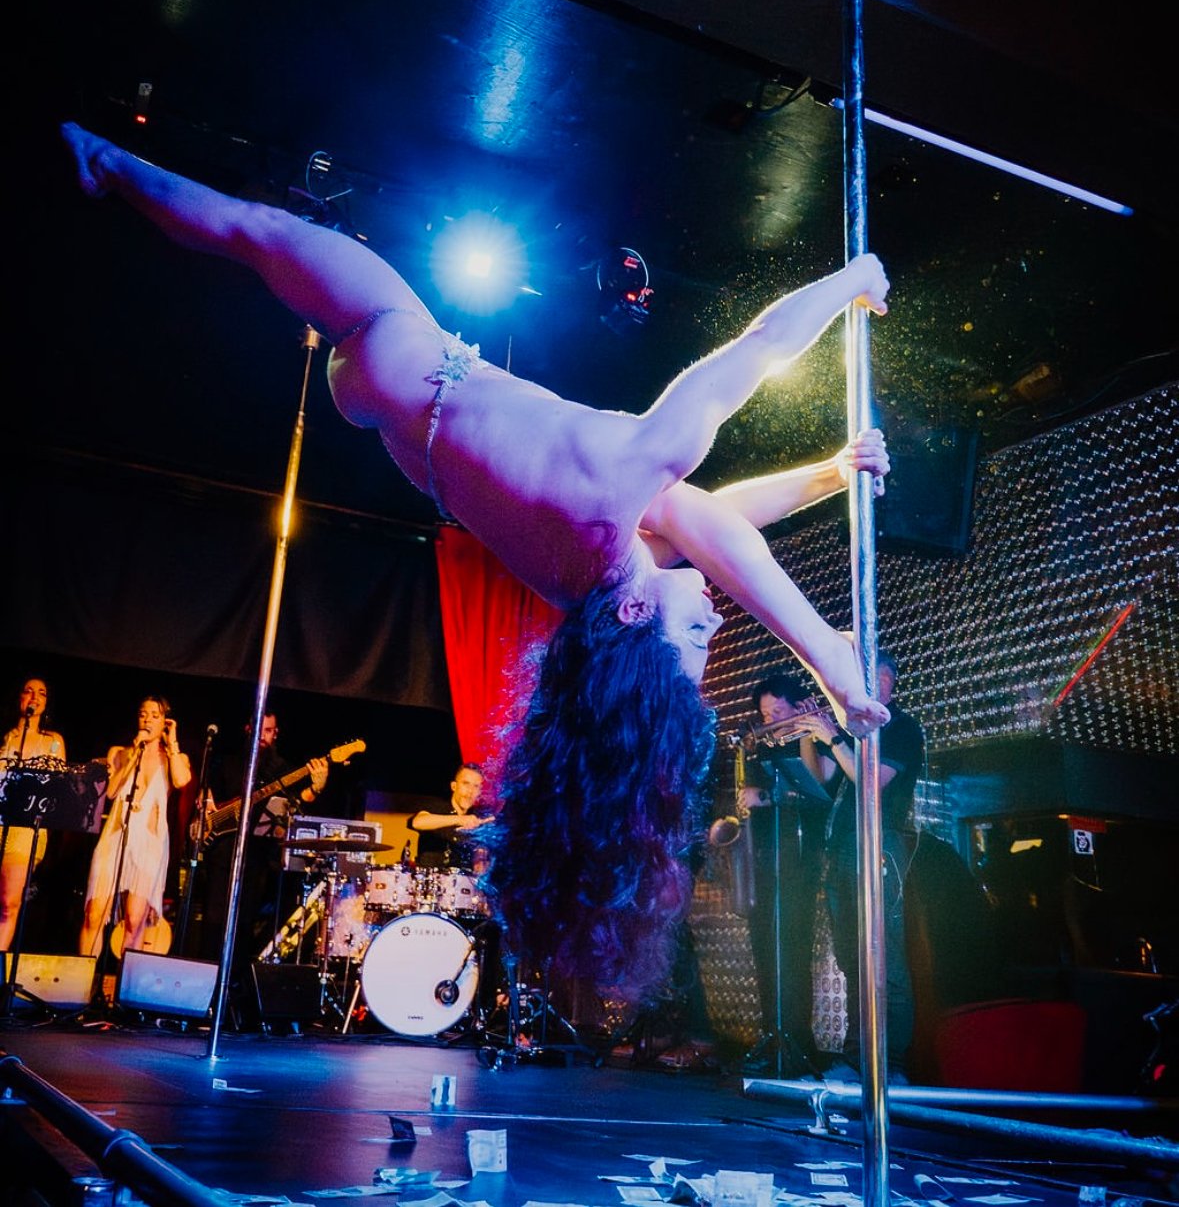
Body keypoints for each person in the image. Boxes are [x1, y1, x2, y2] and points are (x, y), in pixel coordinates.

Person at [62, 121, 891, 1001]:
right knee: (257, 239)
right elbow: (721, 525)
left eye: (694, 637)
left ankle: (105, 161)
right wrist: (828, 475)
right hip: (395, 412)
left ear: (637, 615)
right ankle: (111, 172)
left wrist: (852, 279)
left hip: (405, 351)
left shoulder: (622, 482)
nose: (715, 620)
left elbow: (760, 347)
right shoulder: (590, 568)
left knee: (257, 229)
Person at [807, 649, 925, 1082]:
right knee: (853, 959)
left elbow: (871, 781)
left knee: (884, 957)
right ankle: (859, 1059)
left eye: (881, 678)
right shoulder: (853, 730)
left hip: (880, 847)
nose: (874, 685)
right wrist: (811, 731)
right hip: (842, 849)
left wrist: (834, 738)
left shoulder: (902, 728)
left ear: (892, 684)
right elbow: (821, 777)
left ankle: (892, 1065)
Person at [740, 673, 836, 1076]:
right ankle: (772, 1036)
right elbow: (748, 799)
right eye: (765, 714)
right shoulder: (760, 749)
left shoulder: (818, 740)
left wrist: (806, 733)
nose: (771, 720)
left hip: (799, 861)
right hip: (765, 859)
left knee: (793, 951)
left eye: (778, 711)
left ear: (798, 708)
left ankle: (797, 1041)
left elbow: (818, 787)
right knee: (765, 950)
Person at [196, 712, 328, 981]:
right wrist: (205, 803)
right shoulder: (228, 763)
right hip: (221, 852)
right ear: (248, 729)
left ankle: (234, 983)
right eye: (259, 730)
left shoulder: (282, 769)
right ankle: (204, 980)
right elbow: (207, 794)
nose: (263, 737)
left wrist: (315, 789)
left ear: (275, 733)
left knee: (244, 923)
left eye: (268, 731)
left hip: (256, 858)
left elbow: (295, 803)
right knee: (213, 921)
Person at [79, 695, 192, 958]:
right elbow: (111, 792)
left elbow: (181, 780)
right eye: (143, 714)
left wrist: (172, 743)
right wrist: (134, 755)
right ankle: (84, 976)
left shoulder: (174, 757)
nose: (147, 720)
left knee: (134, 918)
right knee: (94, 913)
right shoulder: (119, 752)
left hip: (150, 842)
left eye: (155, 715)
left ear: (165, 722)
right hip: (115, 836)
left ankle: (125, 982)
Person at [1, 678, 68, 952]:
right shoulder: (5, 737)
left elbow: (58, 784)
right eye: (28, 691)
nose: (34, 697)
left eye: (41, 693)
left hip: (26, 827)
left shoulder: (52, 741)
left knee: (8, 902)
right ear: (19, 697)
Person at [408, 763, 494, 870]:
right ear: (454, 786)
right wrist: (460, 819)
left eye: (476, 786)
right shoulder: (437, 807)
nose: (470, 791)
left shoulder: (477, 818)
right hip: (430, 876)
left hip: (461, 878)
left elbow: (479, 862)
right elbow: (417, 822)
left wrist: (481, 858)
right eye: (466, 784)